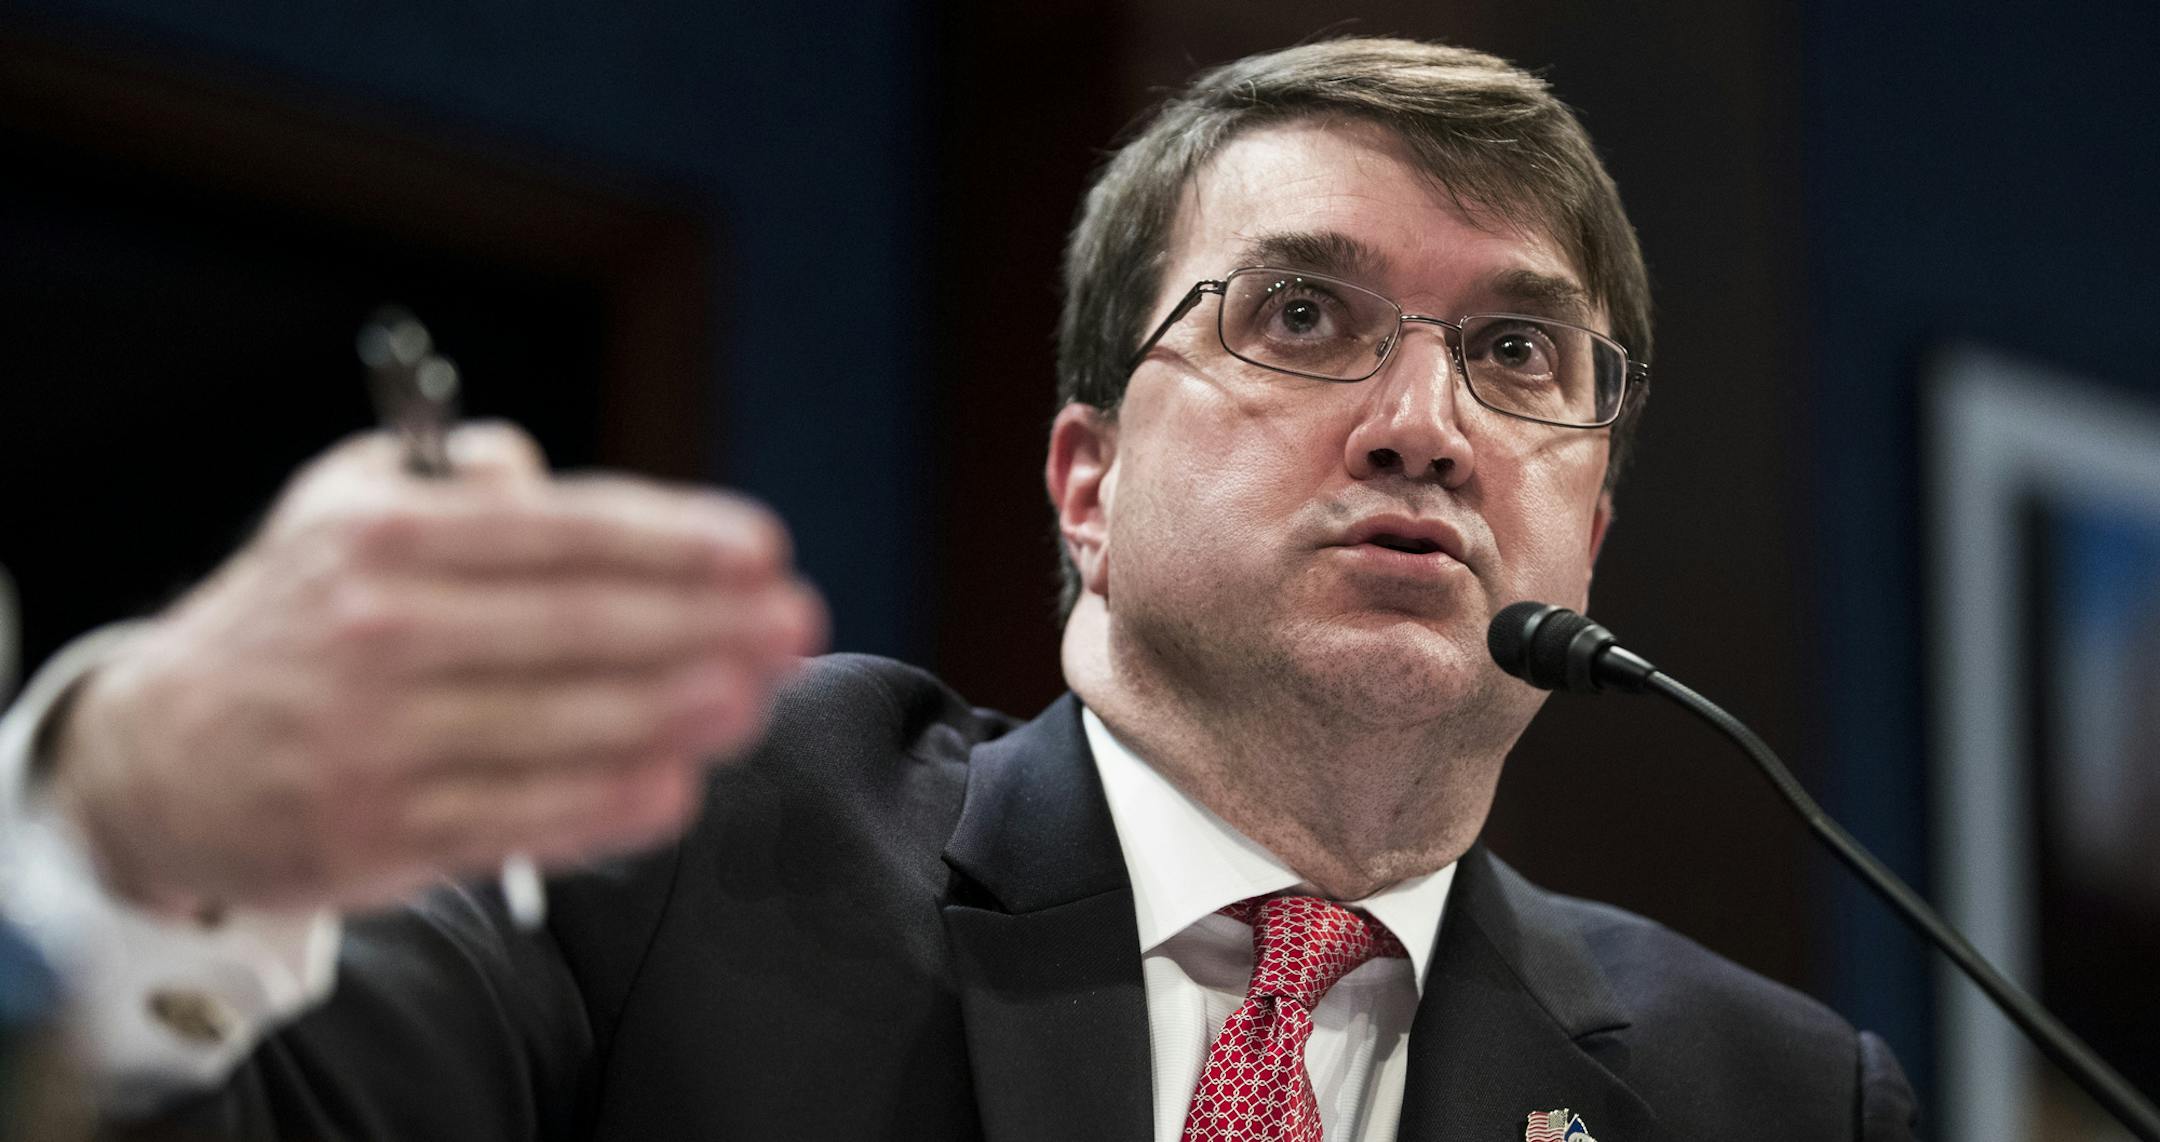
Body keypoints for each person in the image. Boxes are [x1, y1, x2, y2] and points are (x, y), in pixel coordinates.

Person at [0, 37, 1918, 1141]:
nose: (1425, 423)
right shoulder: (695, 839)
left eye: (1520, 357)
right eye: (1304, 315)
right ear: (1085, 484)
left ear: (1591, 528)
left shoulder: (1774, 1099)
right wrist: (121, 843)